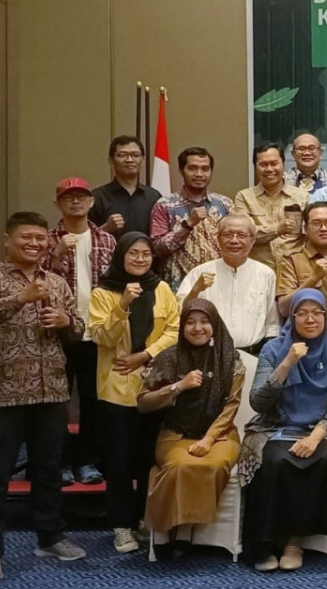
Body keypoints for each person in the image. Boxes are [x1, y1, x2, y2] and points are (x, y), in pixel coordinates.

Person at [0, 212, 87, 582]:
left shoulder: (56, 281)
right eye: (26, 238)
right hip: (3, 393)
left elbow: (79, 330)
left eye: (40, 238)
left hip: (51, 390)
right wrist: (21, 298)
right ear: (9, 240)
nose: (34, 244)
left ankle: (50, 536)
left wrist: (68, 323)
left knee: (49, 470)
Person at [240, 290, 327, 572]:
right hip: (273, 426)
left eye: (318, 313)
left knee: (322, 459)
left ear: (326, 316)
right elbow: (257, 402)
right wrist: (287, 363)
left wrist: (316, 436)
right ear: (291, 316)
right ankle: (264, 542)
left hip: (321, 430)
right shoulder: (273, 349)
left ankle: (294, 542)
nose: (310, 319)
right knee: (274, 461)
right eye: (302, 313)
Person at [89, 232, 180, 553]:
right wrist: (123, 304)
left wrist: (146, 354)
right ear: (120, 256)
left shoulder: (163, 288)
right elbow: (102, 337)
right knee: (118, 461)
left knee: (147, 459)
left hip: (153, 385)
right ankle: (120, 526)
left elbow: (173, 329)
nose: (140, 259)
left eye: (145, 254)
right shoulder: (103, 292)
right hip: (116, 386)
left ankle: (144, 520)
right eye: (133, 254)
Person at [137, 299, 244, 538]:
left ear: (214, 325)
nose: (198, 328)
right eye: (191, 322)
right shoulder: (168, 358)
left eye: (205, 321)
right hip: (175, 433)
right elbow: (143, 403)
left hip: (220, 434)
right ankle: (166, 530)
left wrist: (208, 439)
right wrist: (178, 386)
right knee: (178, 465)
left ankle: (184, 533)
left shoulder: (230, 358)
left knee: (214, 465)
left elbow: (231, 405)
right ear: (182, 327)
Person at [44, 178, 115, 486]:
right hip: (57, 334)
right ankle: (58, 463)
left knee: (92, 402)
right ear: (58, 203)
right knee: (56, 402)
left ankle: (86, 461)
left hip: (95, 333)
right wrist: (56, 254)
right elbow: (35, 280)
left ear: (91, 203)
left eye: (81, 197)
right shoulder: (45, 240)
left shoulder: (107, 240)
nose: (75, 202)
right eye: (68, 197)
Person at [177, 214, 279, 352]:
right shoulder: (199, 273)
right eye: (228, 235)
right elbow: (180, 314)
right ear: (218, 239)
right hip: (209, 355)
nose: (234, 241)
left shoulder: (266, 274)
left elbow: (272, 324)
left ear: (253, 240)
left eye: (241, 235)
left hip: (254, 354)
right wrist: (195, 290)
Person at [151, 147, 234, 290]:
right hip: (179, 287)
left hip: (219, 285)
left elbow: (236, 242)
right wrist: (187, 225)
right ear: (182, 170)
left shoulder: (225, 204)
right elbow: (156, 249)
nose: (199, 174)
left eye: (205, 169)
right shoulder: (165, 205)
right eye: (193, 168)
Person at [277, 201, 327, 348]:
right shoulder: (291, 259)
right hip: (303, 347)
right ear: (305, 228)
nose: (323, 229)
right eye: (316, 223)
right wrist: (314, 278)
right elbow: (284, 308)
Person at [234, 143, 309, 269]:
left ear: (283, 165)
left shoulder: (302, 196)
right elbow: (243, 234)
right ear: (255, 167)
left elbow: (309, 236)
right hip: (257, 270)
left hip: (294, 271)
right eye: (263, 164)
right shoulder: (244, 197)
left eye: (274, 163)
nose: (269, 169)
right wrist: (276, 230)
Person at [90, 135, 163, 237]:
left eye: (135, 155)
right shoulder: (97, 197)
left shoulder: (154, 197)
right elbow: (84, 239)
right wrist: (106, 228)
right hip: (109, 253)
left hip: (146, 252)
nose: (129, 160)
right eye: (122, 155)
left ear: (142, 161)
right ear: (111, 161)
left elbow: (161, 236)